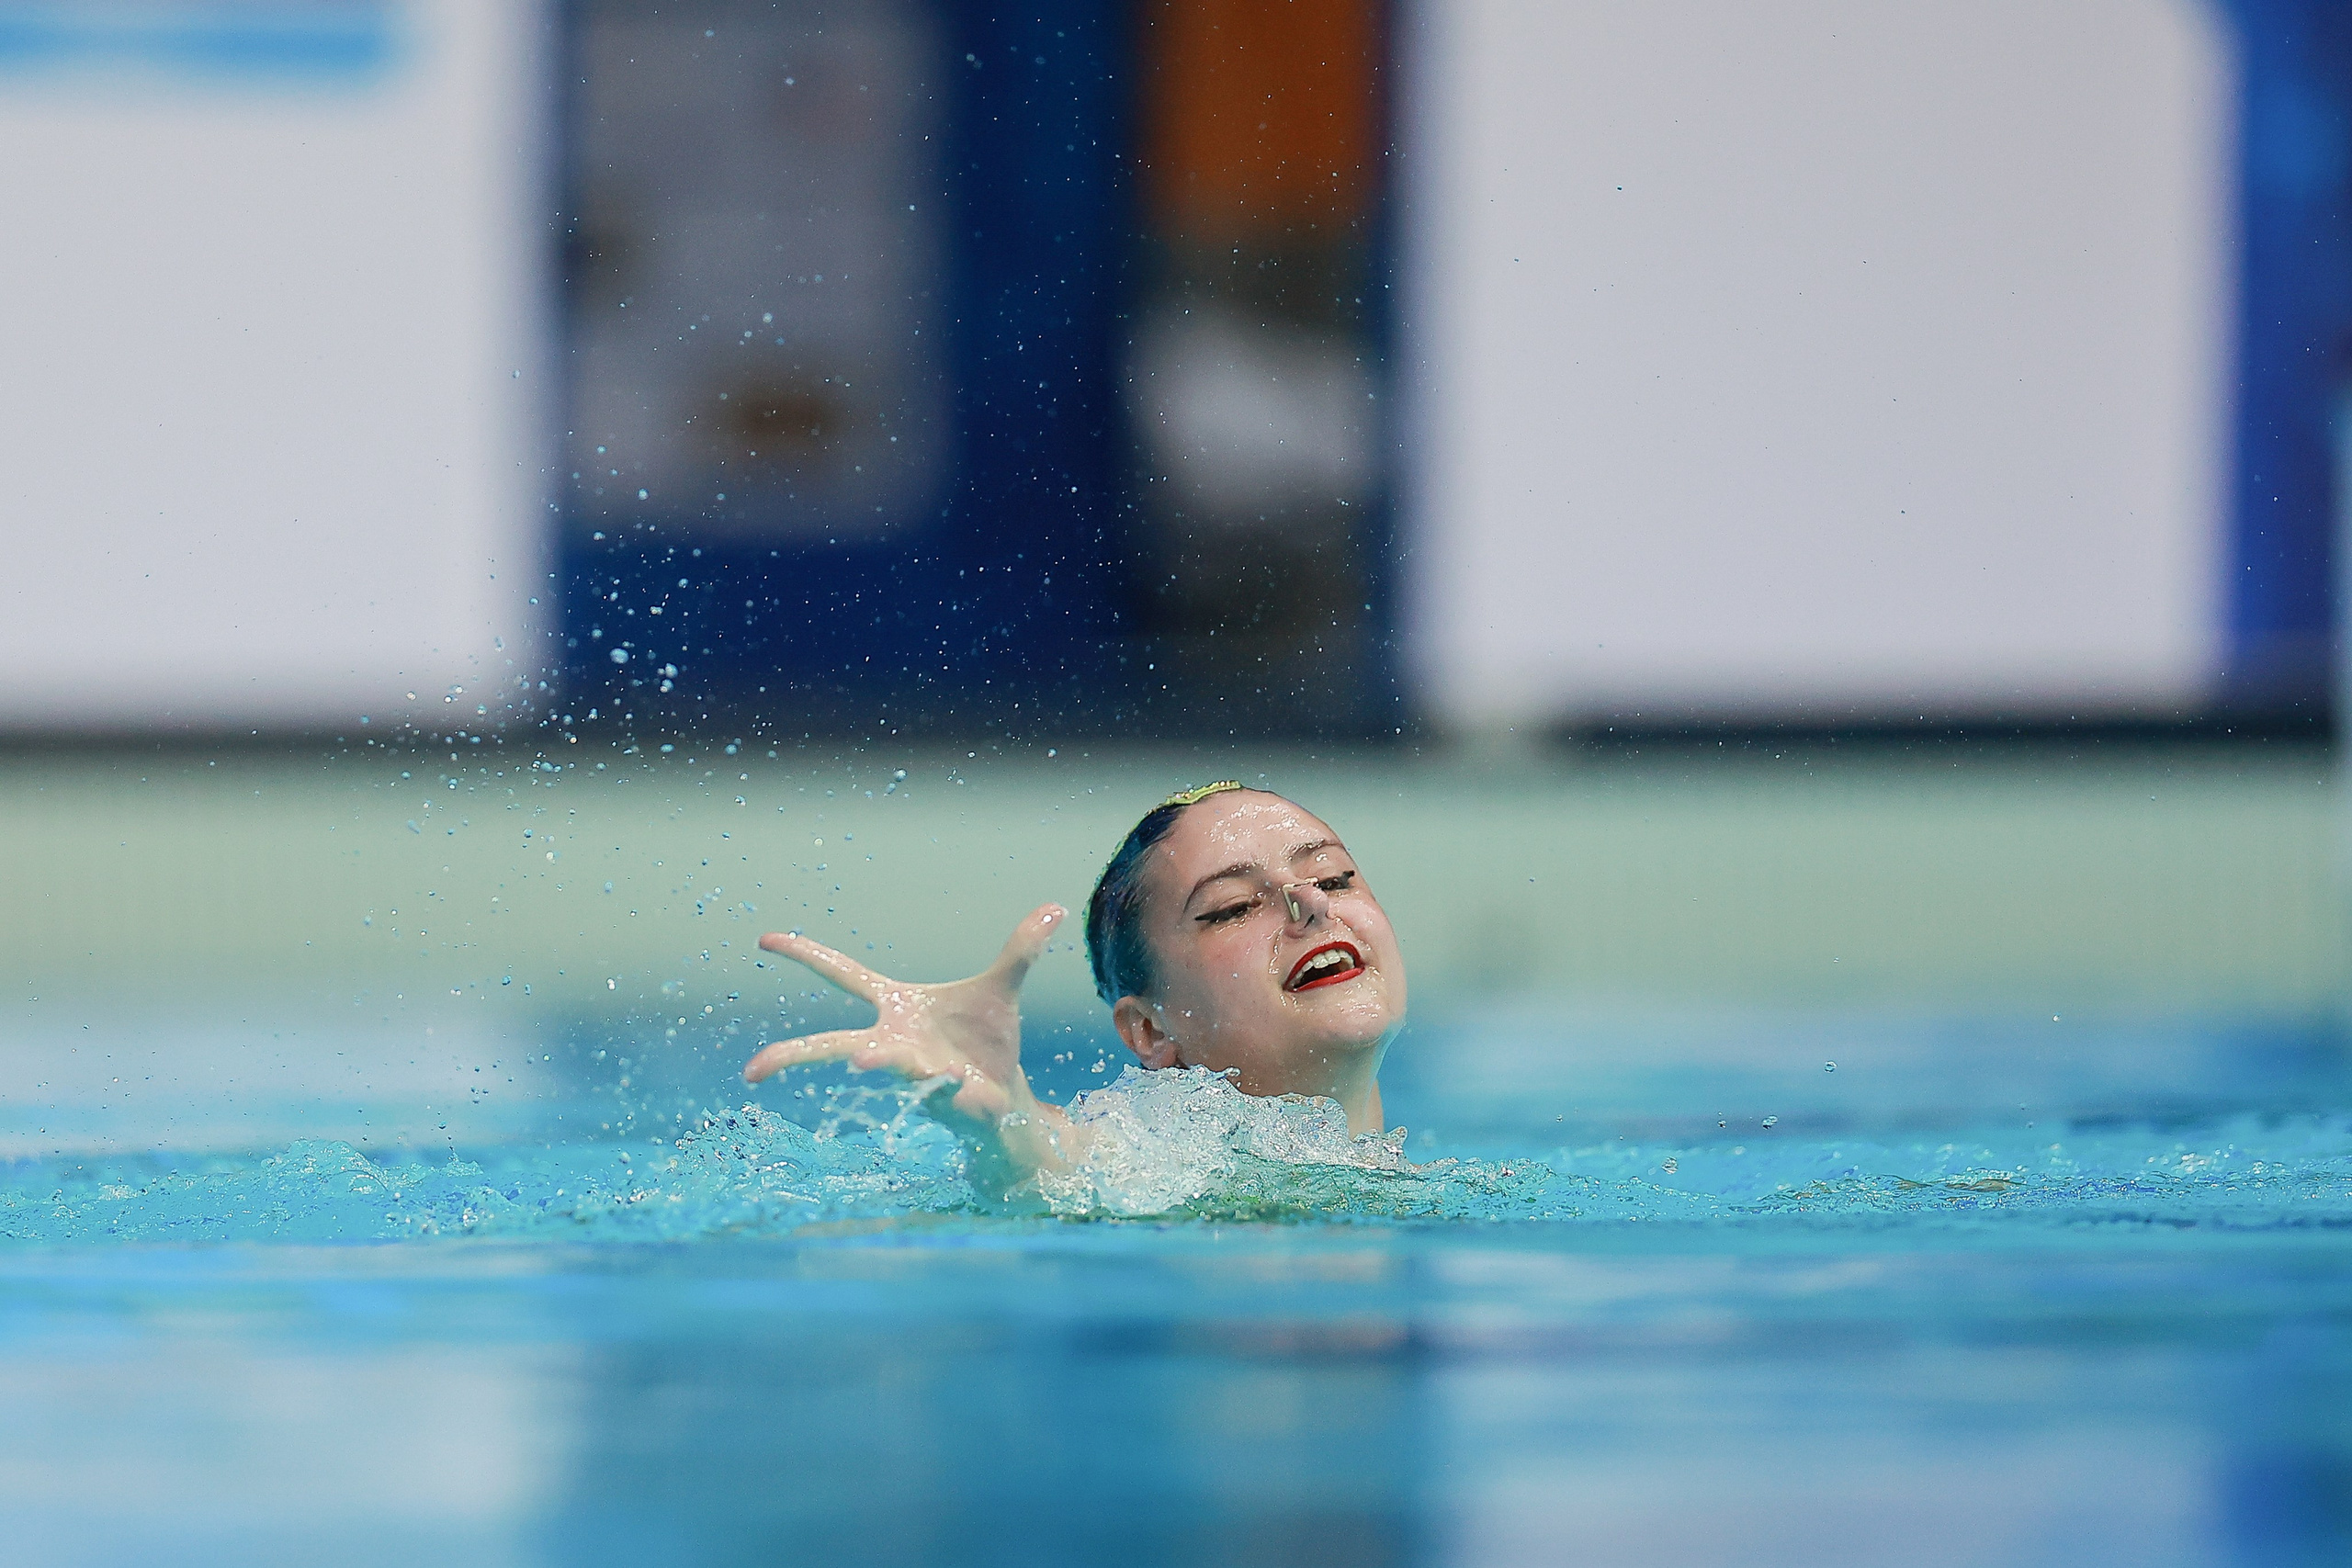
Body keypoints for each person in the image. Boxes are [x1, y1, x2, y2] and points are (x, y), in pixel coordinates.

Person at [742, 781, 1408, 1197]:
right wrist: (1008, 1125)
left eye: (1336, 876)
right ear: (1150, 1030)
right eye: (1233, 906)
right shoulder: (1161, 1167)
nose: (1310, 904)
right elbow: (1061, 1164)